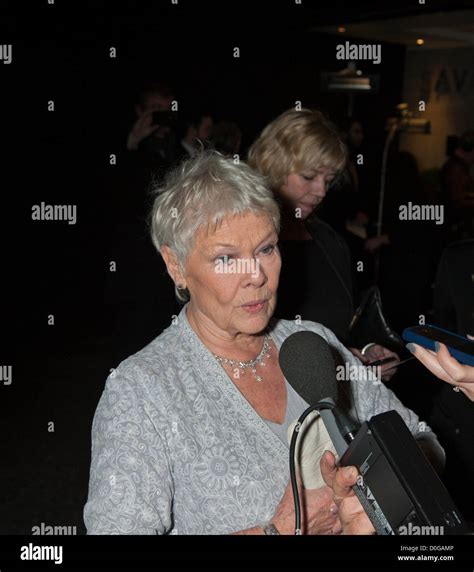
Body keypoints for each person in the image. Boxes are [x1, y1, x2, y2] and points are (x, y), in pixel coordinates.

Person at [84, 152, 443, 535]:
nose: (255, 275)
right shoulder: (141, 390)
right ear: (176, 265)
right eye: (226, 258)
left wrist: (368, 489)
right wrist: (278, 530)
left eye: (266, 249)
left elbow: (424, 443)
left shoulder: (314, 343)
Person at [248, 108, 400, 381]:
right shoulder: (244, 242)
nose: (320, 191)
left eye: (328, 180)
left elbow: (340, 328)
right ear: (273, 166)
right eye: (308, 177)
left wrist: (363, 351)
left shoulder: (329, 241)